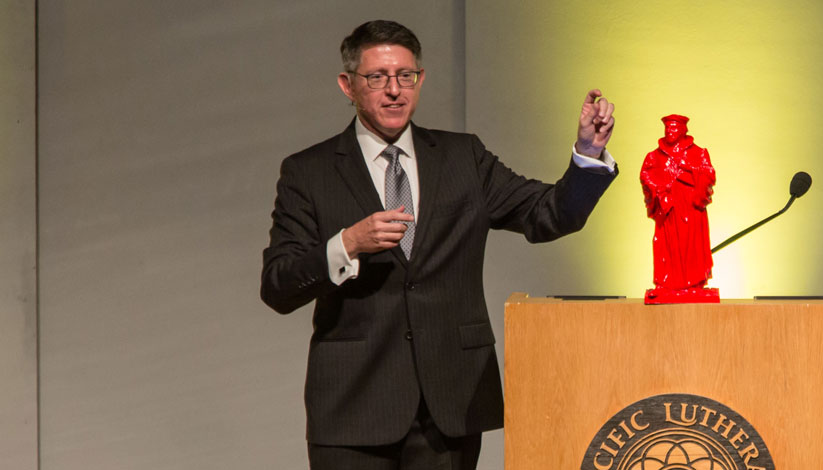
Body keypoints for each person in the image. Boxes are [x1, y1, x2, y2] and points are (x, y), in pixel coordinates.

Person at [260, 20, 616, 469]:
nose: (394, 90)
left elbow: (548, 215)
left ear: (420, 79)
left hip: (450, 405)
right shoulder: (308, 172)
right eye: (377, 78)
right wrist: (347, 244)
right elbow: (277, 286)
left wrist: (587, 155)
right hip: (353, 408)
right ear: (347, 85)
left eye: (405, 76)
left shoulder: (463, 157)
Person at [640, 114, 718, 304]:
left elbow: (709, 174)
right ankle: (665, 283)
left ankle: (693, 283)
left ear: (683, 131)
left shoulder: (699, 153)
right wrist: (658, 190)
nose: (670, 132)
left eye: (674, 129)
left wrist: (691, 169)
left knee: (692, 245)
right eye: (668, 129)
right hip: (667, 209)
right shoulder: (654, 156)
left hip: (690, 209)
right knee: (665, 244)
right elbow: (645, 176)